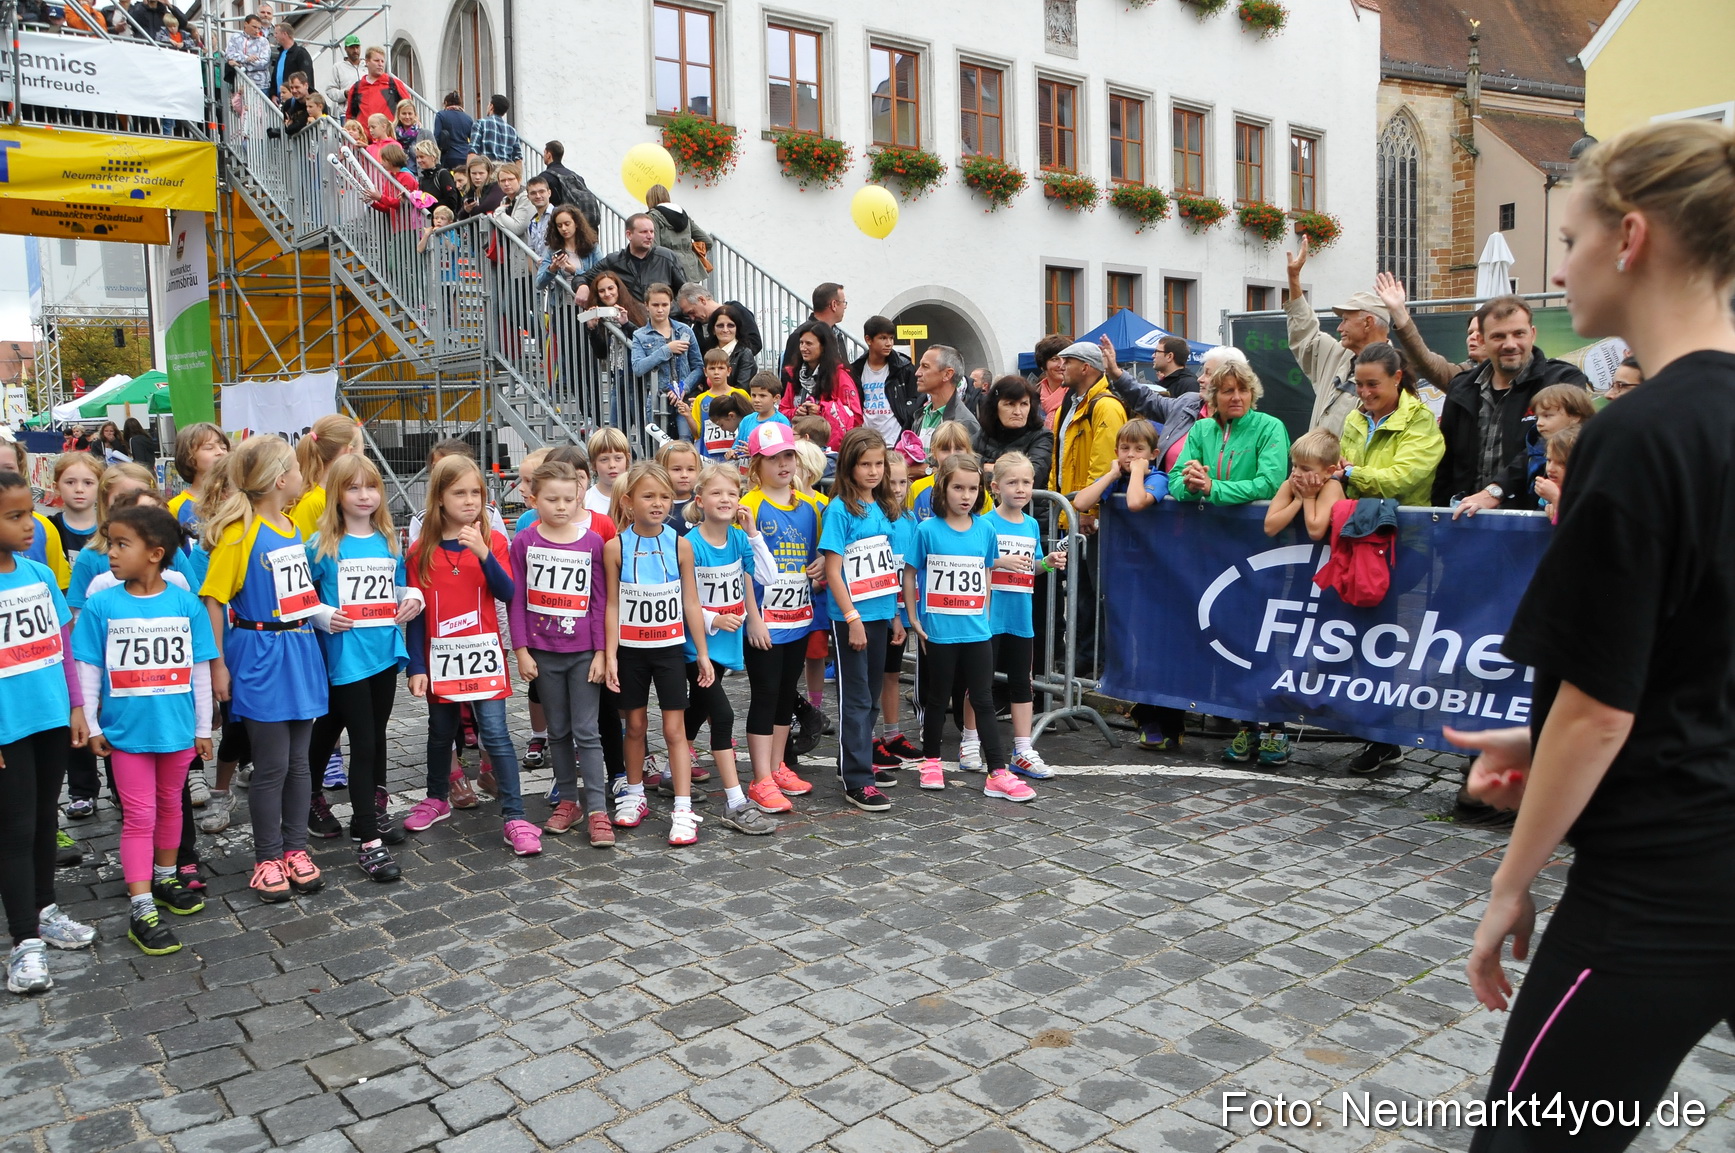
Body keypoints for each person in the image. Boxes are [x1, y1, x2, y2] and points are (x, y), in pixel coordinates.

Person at [1437, 119, 1735, 1153]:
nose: (1559, 270)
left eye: (1569, 240)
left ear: (1632, 237)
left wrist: (1510, 880)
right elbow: (1698, 660)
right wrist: (1536, 737)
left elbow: (1599, 708)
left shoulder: (1642, 434)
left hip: (1662, 877)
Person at [73, 504, 216, 955]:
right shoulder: (101, 605)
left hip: (177, 732)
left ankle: (166, 877)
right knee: (139, 816)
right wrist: (93, 723)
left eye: (121, 544)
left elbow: (199, 671)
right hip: (126, 736)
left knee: (171, 806)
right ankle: (140, 906)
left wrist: (203, 727)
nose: (111, 553)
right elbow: (88, 668)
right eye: (110, 544)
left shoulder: (185, 604)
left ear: (155, 553)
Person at [199, 435, 329, 903]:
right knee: (272, 765)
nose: (302, 474)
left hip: (299, 648)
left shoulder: (291, 525)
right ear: (279, 479)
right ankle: (267, 857)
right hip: (259, 652)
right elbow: (213, 599)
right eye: (294, 467)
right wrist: (218, 665)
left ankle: (295, 849)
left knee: (299, 763)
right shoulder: (239, 532)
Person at [401, 455, 540, 855]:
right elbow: (416, 614)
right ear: (439, 499)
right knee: (440, 731)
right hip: (441, 657)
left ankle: (514, 814)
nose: (469, 501)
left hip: (484, 655)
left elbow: (507, 591)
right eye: (458, 493)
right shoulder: (420, 551)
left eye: (475, 492)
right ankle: (436, 798)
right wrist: (416, 666)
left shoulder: (493, 541)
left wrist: (483, 552)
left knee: (494, 732)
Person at [1168, 359, 1292, 764]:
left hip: (1262, 550)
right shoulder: (1201, 430)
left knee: (1265, 640)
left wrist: (1213, 488)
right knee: (1229, 639)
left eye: (1242, 389)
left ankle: (1276, 727)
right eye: (1227, 391)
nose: (1236, 397)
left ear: (1253, 393)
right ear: (1214, 397)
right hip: (1213, 550)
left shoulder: (1270, 427)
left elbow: (1270, 483)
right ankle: (1246, 724)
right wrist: (1191, 486)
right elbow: (1175, 480)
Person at [303, 455, 420, 882]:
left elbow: (400, 585)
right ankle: (368, 840)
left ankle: (313, 795)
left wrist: (414, 598)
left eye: (371, 487)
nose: (364, 495)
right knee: (365, 742)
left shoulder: (388, 539)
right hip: (345, 656)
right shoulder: (321, 545)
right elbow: (299, 595)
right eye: (353, 488)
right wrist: (321, 614)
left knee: (341, 728)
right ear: (336, 494)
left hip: (383, 653)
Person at [0, 470, 95, 994]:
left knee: (42, 820)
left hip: (50, 719)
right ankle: (24, 942)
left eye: (30, 514)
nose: (29, 525)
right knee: (13, 830)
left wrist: (76, 706)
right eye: (14, 517)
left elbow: (63, 646)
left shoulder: (38, 575)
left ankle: (44, 909)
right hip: (7, 728)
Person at [903, 453, 1028, 801]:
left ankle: (997, 771)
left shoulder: (985, 529)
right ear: (943, 488)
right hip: (939, 632)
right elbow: (910, 574)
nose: (966, 496)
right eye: (958, 487)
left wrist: (984, 612)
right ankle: (930, 761)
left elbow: (985, 570)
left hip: (976, 631)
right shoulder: (927, 530)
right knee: (938, 697)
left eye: (972, 489)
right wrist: (913, 619)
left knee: (983, 699)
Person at [603, 461, 711, 845]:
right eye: (648, 496)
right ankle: (634, 794)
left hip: (669, 650)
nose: (658, 503)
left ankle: (683, 807)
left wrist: (702, 653)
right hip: (631, 652)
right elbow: (612, 604)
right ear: (628, 501)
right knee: (634, 726)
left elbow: (691, 602)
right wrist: (610, 654)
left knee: (673, 730)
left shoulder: (681, 544)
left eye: (664, 497)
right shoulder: (614, 547)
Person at [509, 460, 613, 846]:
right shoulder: (524, 542)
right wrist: (521, 650)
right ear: (534, 499)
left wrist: (601, 653)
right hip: (544, 652)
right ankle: (569, 800)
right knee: (558, 730)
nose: (561, 506)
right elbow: (516, 600)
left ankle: (598, 808)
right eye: (552, 499)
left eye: (569, 499)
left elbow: (600, 602)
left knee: (587, 730)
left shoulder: (593, 542)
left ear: (579, 497)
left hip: (583, 652)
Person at [680, 464, 780, 834]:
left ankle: (673, 768)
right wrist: (712, 619)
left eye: (732, 493)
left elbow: (768, 576)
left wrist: (753, 533)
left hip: (724, 645)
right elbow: (682, 598)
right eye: (717, 493)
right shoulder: (690, 544)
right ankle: (735, 802)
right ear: (700, 500)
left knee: (696, 709)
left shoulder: (738, 539)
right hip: (695, 646)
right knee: (721, 716)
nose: (725, 499)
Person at [1434, 295, 1591, 515]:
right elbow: (1445, 463)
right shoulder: (1462, 387)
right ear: (1482, 340)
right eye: (1498, 336)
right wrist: (1439, 516)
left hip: (1535, 519)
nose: (1510, 344)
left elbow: (1545, 445)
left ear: (1532, 334)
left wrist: (1495, 491)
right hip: (1464, 519)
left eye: (1519, 334)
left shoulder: (1562, 380)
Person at [819, 429, 907, 810]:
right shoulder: (840, 510)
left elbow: (886, 568)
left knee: (871, 696)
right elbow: (833, 571)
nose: (873, 471)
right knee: (855, 698)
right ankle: (856, 779)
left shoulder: (883, 506)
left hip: (881, 613)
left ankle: (857, 759)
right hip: (851, 617)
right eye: (865, 464)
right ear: (849, 467)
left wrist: (895, 616)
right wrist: (852, 618)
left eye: (878, 464)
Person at [969, 451, 1067, 782]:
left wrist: (1047, 563)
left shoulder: (1031, 524)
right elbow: (973, 562)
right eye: (1013, 482)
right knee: (979, 682)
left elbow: (1032, 567)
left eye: (1027, 482)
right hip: (987, 616)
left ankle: (1023, 749)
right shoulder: (984, 523)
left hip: (1020, 616)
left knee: (1022, 682)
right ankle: (970, 741)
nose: (1021, 488)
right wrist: (1000, 562)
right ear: (995, 487)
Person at [739, 423, 822, 814]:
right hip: (763, 621)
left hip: (798, 617)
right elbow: (741, 566)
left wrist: (820, 567)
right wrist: (752, 617)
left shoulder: (811, 506)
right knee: (765, 694)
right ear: (757, 464)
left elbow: (815, 557)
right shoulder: (750, 504)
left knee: (786, 694)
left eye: (788, 456)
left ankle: (776, 767)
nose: (783, 464)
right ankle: (760, 778)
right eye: (773, 458)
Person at [1286, 236, 1392, 436]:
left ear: (1368, 322)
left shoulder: (1394, 374)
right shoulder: (1337, 355)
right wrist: (1293, 279)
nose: (1339, 327)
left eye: (1345, 319)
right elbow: (1305, 333)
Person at [1335, 343, 1446, 507]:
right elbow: (1338, 465)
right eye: (1359, 384)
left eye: (1372, 384)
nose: (1365, 392)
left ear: (1397, 378)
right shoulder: (1354, 419)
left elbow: (1401, 480)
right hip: (1355, 519)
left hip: (1404, 522)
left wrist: (1349, 474)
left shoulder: (1420, 419)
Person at [1099, 339, 1203, 479]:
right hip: (1168, 485)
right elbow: (1146, 399)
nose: (1200, 379)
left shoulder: (1190, 385)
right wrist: (1116, 373)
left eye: (1208, 373)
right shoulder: (1187, 402)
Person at [1049, 342, 1127, 518]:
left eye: (1068, 361)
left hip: (1087, 516)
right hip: (1067, 512)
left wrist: (1090, 511)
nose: (1061, 367)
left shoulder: (1107, 407)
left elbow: (1105, 465)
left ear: (1085, 368)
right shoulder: (1066, 407)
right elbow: (1057, 463)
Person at [1374, 271, 1486, 389]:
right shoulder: (1463, 376)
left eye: (1481, 332)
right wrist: (1399, 311)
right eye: (1470, 332)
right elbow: (1425, 361)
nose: (1473, 337)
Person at [631, 283, 703, 438]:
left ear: (671, 305)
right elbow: (638, 368)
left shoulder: (685, 330)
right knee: (659, 444)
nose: (660, 309)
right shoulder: (640, 335)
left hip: (683, 398)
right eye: (655, 305)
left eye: (664, 305)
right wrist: (667, 350)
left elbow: (698, 367)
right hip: (657, 398)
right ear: (646, 305)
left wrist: (684, 387)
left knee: (685, 441)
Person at [779, 321, 862, 450]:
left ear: (823, 346)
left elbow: (855, 417)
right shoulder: (795, 375)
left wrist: (821, 410)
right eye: (801, 343)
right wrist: (796, 412)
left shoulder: (840, 376)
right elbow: (782, 411)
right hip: (797, 447)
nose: (803, 348)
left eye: (809, 344)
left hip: (830, 450)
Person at [1262, 428, 1346, 540]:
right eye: (1295, 465)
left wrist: (1309, 498)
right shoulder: (1290, 485)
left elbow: (1316, 532)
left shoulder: (1332, 486)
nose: (1296, 473)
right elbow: (1269, 528)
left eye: (1305, 469)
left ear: (1329, 471)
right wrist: (1297, 501)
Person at [586, 214, 688, 307]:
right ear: (629, 235)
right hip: (631, 319)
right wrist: (582, 286)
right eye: (644, 232)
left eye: (652, 232)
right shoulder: (613, 261)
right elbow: (585, 277)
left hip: (665, 319)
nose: (650, 236)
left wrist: (672, 311)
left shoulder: (667, 257)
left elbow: (685, 291)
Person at [850, 316, 919, 447]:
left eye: (891, 338)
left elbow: (916, 400)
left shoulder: (904, 367)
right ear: (868, 340)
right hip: (866, 442)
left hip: (895, 442)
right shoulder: (856, 370)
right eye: (883, 338)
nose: (889, 343)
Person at [1521, 382, 1597, 501]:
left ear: (1575, 416)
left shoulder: (1589, 449)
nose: (1539, 423)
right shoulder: (1537, 447)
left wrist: (1556, 499)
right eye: (1537, 417)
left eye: (1547, 416)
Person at [975, 375, 1053, 487]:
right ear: (995, 407)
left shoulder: (1042, 436)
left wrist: (986, 468)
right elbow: (965, 469)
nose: (1017, 412)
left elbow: (1031, 477)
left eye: (1024, 404)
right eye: (1010, 404)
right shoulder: (983, 434)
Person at [910, 344, 979, 450]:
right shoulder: (921, 415)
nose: (917, 373)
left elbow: (968, 460)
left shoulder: (964, 422)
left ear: (947, 374)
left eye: (925, 366)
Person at [645, 184, 713, 286]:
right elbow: (708, 241)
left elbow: (654, 248)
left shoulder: (653, 217)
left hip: (669, 270)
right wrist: (692, 253)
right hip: (691, 269)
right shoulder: (683, 215)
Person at [676, 284, 764, 357]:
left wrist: (728, 361)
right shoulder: (697, 329)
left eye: (692, 312)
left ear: (702, 300)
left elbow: (755, 343)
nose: (692, 318)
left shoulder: (736, 311)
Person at [781, 283, 848, 376]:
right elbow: (789, 376)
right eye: (843, 302)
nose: (845, 307)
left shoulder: (836, 334)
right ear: (834, 305)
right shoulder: (800, 335)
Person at [732, 373, 790, 459]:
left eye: (762, 396)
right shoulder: (746, 420)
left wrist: (755, 452)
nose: (756, 400)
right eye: (753, 395)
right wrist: (733, 453)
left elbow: (784, 451)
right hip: (746, 467)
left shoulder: (781, 421)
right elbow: (737, 447)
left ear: (776, 398)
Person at [541, 140, 598, 226]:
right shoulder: (576, 176)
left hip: (560, 224)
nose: (543, 156)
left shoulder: (545, 177)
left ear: (549, 155)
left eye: (544, 153)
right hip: (577, 222)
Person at [344, 47, 407, 125]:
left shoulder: (394, 84)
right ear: (367, 62)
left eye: (382, 61)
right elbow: (350, 116)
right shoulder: (356, 88)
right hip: (364, 132)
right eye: (376, 61)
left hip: (389, 132)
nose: (380, 64)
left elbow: (409, 108)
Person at [1534, 423, 1579, 524]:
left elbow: (1578, 527)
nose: (1550, 469)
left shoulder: (1588, 494)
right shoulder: (1547, 494)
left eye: (1561, 462)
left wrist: (1556, 498)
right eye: (1549, 460)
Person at [265, 20, 313, 104]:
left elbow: (306, 76)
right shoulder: (281, 53)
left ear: (284, 34)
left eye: (276, 33)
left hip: (296, 99)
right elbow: (275, 76)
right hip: (281, 99)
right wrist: (273, 94)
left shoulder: (300, 53)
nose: (274, 36)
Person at [468, 93, 523, 164]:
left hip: (487, 167)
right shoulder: (513, 131)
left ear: (491, 106)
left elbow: (473, 150)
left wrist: (469, 168)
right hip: (505, 169)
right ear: (504, 112)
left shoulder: (480, 123)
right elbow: (518, 159)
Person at [413, 140, 462, 218]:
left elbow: (452, 201)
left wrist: (431, 204)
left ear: (433, 157)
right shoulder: (422, 179)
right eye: (417, 157)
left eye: (422, 157)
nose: (419, 160)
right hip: (430, 222)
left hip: (446, 221)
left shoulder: (443, 174)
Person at [1031, 334, 1070, 430]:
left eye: (1066, 359)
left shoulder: (1079, 396)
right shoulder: (1032, 398)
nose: (1061, 365)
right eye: (1054, 359)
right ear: (1042, 365)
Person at [224, 13, 271, 94]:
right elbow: (229, 55)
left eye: (259, 28)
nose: (257, 31)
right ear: (246, 24)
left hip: (260, 85)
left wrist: (240, 65)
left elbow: (264, 63)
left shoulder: (263, 41)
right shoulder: (235, 37)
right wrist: (246, 59)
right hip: (240, 84)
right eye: (254, 27)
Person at [432, 90, 474, 170]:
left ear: (446, 103)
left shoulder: (441, 115)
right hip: (465, 156)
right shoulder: (468, 119)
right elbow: (472, 140)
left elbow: (436, 138)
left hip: (448, 157)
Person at [326, 34, 364, 112]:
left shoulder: (367, 66)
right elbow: (330, 91)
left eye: (357, 47)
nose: (355, 51)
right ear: (345, 49)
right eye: (352, 47)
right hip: (347, 112)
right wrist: (344, 94)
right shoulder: (338, 67)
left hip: (367, 111)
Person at [458, 154, 501, 221]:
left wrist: (473, 211)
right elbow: (460, 218)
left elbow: (488, 206)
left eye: (481, 173)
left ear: (489, 172)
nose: (477, 177)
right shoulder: (469, 191)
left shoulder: (497, 186)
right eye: (474, 173)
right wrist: (466, 210)